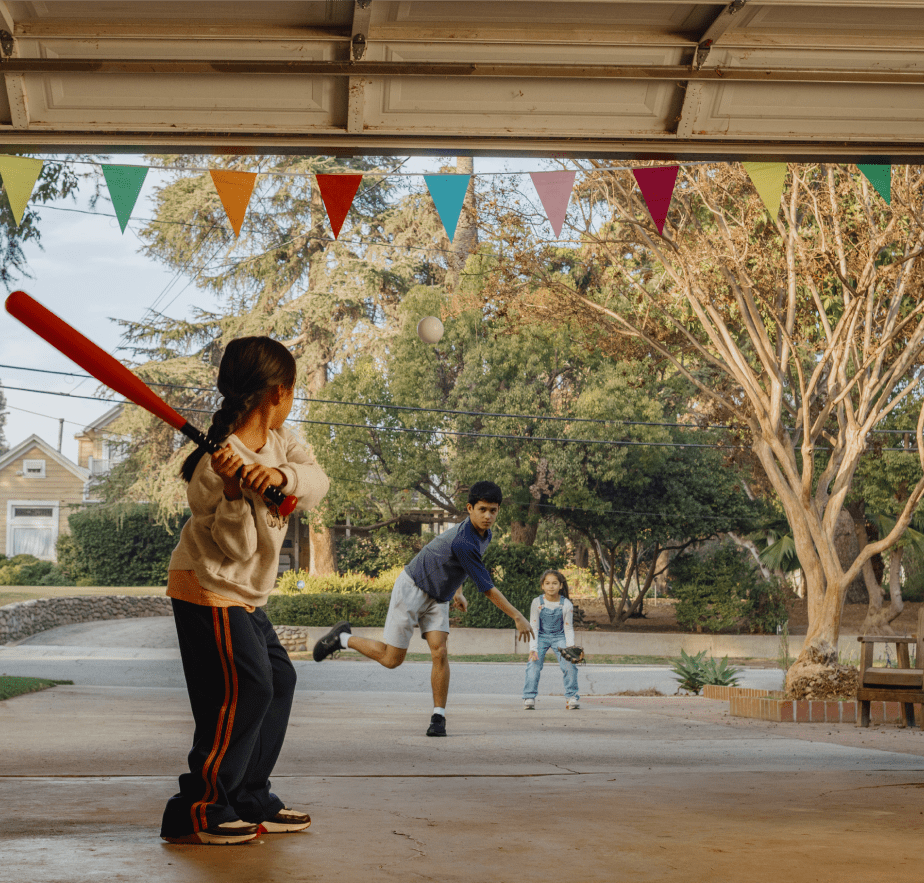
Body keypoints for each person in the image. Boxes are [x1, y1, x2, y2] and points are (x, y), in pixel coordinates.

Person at [159, 336, 330, 846]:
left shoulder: (282, 441)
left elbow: (316, 481)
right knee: (248, 687)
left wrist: (278, 475)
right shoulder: (214, 467)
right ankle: (199, 807)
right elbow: (236, 548)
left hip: (245, 593)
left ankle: (250, 796)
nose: (293, 398)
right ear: (278, 391)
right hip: (208, 586)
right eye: (293, 389)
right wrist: (234, 492)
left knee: (278, 678)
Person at [312, 480, 534, 737]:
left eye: (493, 511)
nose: (488, 516)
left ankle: (438, 717)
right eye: (482, 509)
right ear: (469, 508)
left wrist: (458, 591)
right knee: (391, 659)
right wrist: (518, 616)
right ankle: (342, 638)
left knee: (440, 652)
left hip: (439, 597)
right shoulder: (463, 540)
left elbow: (461, 566)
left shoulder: (486, 535)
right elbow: (487, 588)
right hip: (412, 588)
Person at [522, 569, 580, 711]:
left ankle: (571, 697)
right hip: (540, 636)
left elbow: (568, 628)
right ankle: (529, 697)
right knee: (533, 664)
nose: (551, 586)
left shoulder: (566, 604)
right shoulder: (537, 602)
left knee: (569, 664)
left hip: (559, 636)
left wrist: (570, 647)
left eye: (555, 583)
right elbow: (534, 627)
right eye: (547, 583)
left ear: (561, 585)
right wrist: (533, 649)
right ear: (542, 586)